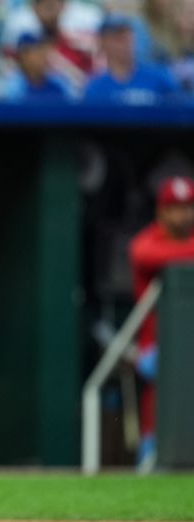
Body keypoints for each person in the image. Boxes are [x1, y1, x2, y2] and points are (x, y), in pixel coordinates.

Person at [128, 176, 194, 472]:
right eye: (175, 207)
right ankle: (151, 453)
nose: (183, 214)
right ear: (162, 211)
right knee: (161, 383)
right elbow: (144, 255)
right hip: (155, 344)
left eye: (187, 207)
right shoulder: (148, 241)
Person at [84, 13, 181, 105]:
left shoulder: (160, 78)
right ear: (102, 43)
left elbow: (179, 113)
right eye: (117, 38)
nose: (125, 43)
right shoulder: (96, 88)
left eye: (128, 37)